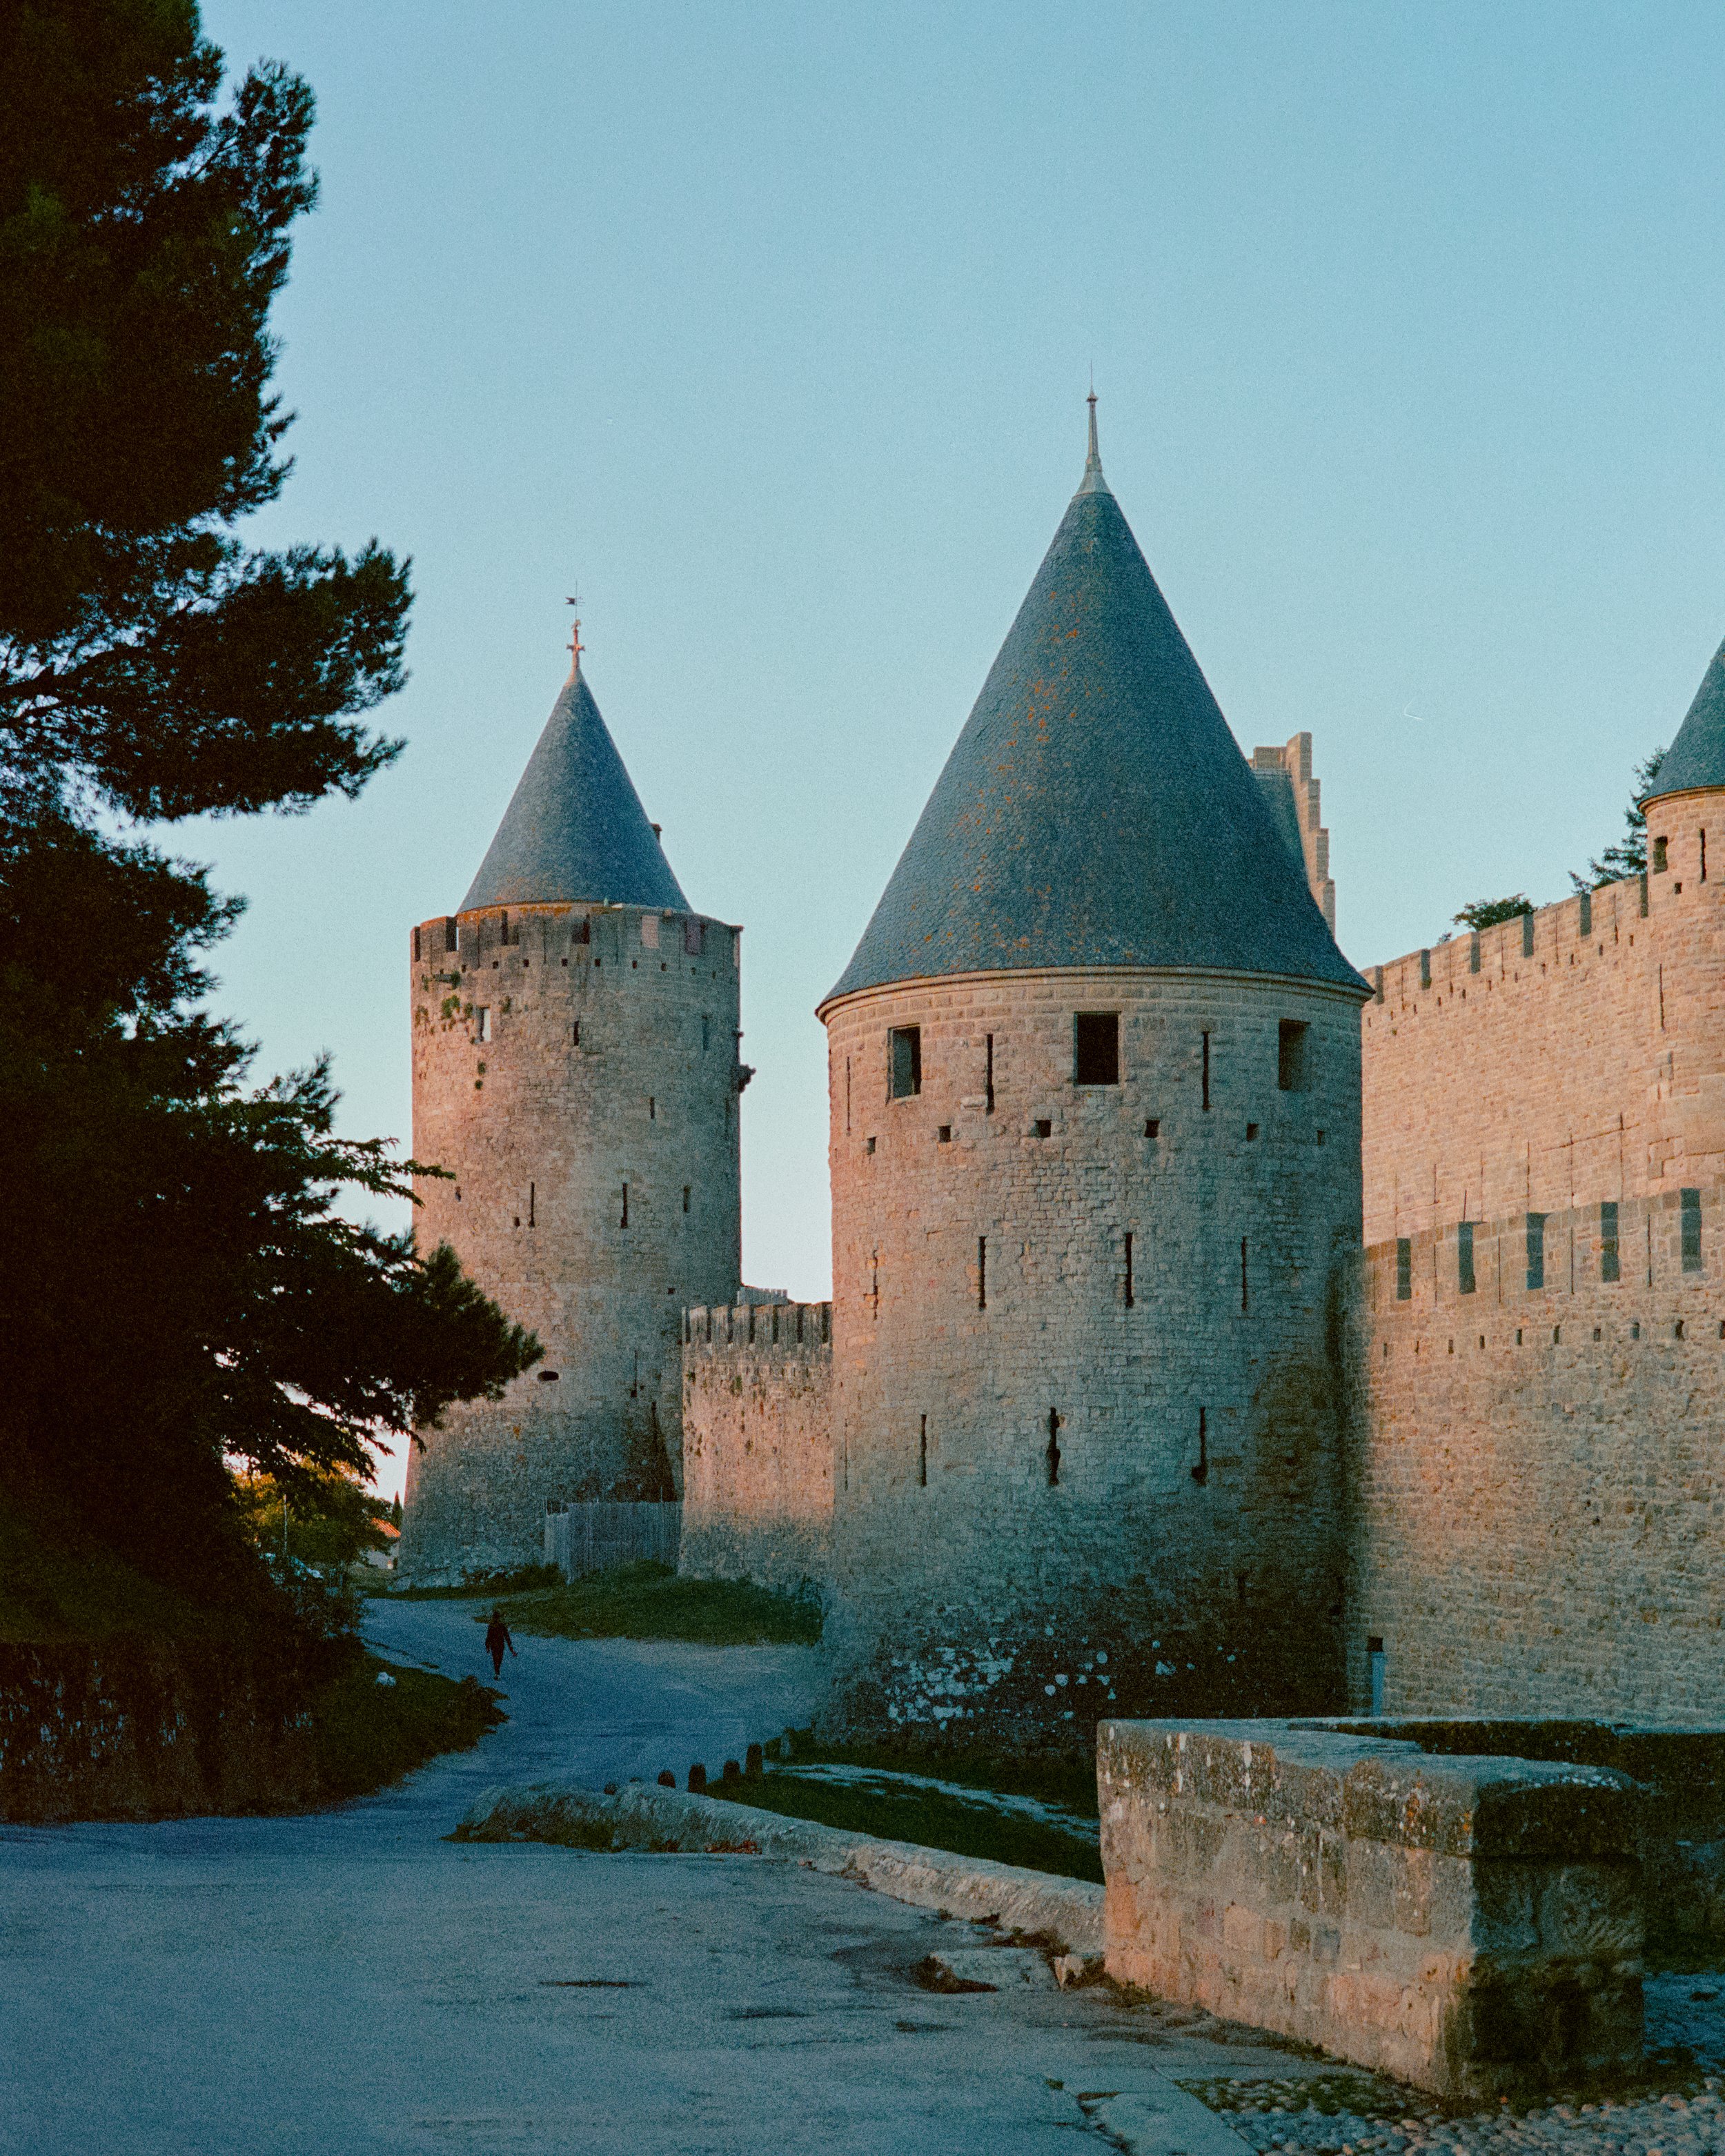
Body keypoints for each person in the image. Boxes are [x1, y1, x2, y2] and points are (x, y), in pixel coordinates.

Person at [484, 1608, 516, 1679]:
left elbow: (488, 1637)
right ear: (499, 1617)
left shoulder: (492, 1626)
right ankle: (497, 1672)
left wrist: (487, 1646)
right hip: (500, 1644)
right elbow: (507, 1637)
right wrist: (511, 1649)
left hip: (494, 1645)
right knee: (499, 1658)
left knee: (496, 1658)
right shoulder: (501, 1625)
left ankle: (497, 1672)